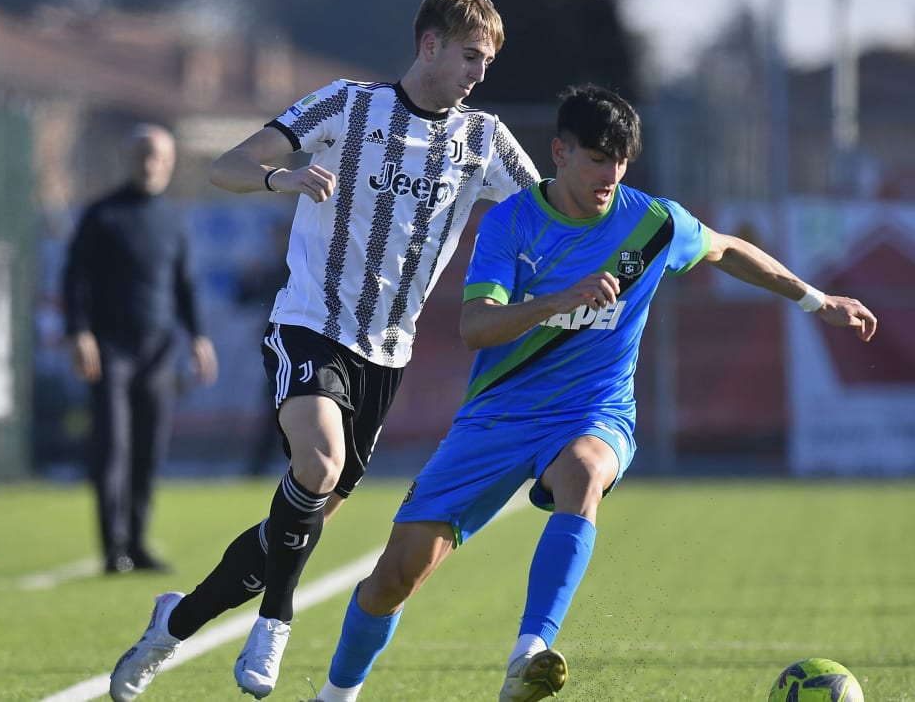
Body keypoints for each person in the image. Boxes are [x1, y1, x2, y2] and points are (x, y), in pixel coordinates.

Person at [302, 84, 879, 702]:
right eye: (597, 158)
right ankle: (336, 696)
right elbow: (476, 327)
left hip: (593, 411)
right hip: (497, 415)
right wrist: (558, 300)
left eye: (621, 160)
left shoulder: (653, 224)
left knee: (583, 470)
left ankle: (530, 655)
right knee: (395, 577)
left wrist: (817, 300)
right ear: (560, 152)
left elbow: (728, 250)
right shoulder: (513, 222)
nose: (610, 174)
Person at [108, 0, 540, 702]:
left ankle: (172, 624)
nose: (479, 73)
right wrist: (282, 175)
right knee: (319, 460)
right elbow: (228, 166)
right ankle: (276, 621)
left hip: (386, 356)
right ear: (428, 43)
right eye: (470, 55)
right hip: (311, 323)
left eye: (488, 61)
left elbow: (546, 211)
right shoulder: (347, 105)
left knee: (294, 523)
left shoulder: (483, 140)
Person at [62, 123, 218, 576]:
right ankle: (114, 548)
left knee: (150, 449)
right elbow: (75, 278)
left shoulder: (172, 219)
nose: (151, 165)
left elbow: (184, 283)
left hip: (157, 352)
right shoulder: (102, 215)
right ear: (128, 161)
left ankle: (139, 540)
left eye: (159, 157)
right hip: (110, 349)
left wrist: (198, 336)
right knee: (112, 446)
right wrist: (79, 332)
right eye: (142, 156)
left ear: (170, 164)